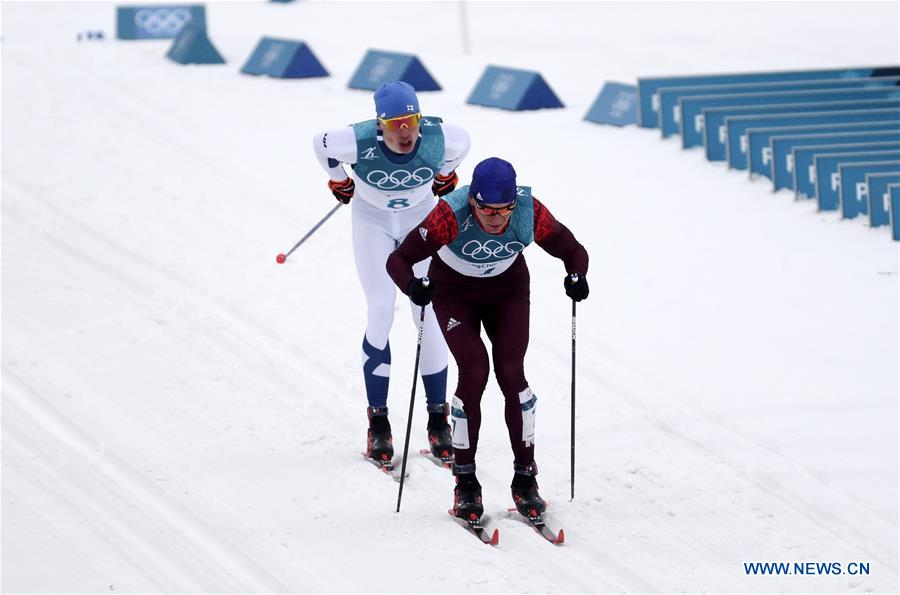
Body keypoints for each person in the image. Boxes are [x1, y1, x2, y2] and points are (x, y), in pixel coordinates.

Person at [386, 157, 590, 521]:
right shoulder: (449, 215)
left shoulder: (530, 212)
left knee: (512, 374)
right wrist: (413, 286)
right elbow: (398, 259)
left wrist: (576, 275)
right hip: (454, 290)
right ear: (473, 202)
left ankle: (525, 479)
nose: (496, 219)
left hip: (507, 289)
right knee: (475, 370)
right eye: (485, 210)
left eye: (503, 210)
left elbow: (573, 250)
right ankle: (465, 482)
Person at [313, 81, 471, 468]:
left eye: (411, 121)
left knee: (429, 312)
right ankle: (379, 423)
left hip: (420, 221)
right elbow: (321, 143)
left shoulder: (438, 136)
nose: (405, 131)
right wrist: (339, 180)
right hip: (373, 224)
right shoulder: (357, 139)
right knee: (382, 308)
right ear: (379, 124)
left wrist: (446, 174)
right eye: (395, 123)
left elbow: (463, 142)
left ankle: (438, 420)